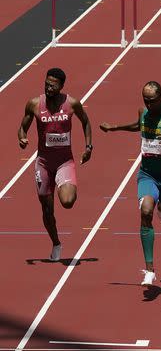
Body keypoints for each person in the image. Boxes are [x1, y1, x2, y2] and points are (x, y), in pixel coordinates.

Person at [100, 81, 161, 286]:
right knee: (146, 211)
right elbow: (137, 125)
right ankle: (149, 269)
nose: (148, 104)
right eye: (145, 100)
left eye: (152, 100)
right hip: (146, 174)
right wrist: (114, 128)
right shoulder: (143, 112)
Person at [17, 68, 92, 261]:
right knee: (47, 209)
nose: (49, 87)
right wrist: (22, 138)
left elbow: (86, 121)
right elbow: (22, 128)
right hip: (43, 163)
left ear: (61, 86)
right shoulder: (34, 104)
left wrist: (88, 146)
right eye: (46, 83)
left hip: (64, 162)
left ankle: (65, 185)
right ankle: (56, 243)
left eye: (53, 84)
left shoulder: (72, 103)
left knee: (67, 202)